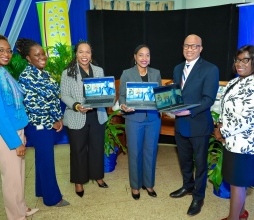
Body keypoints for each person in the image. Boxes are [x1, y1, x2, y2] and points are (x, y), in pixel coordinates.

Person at [0, 33, 38, 219]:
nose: (6, 54)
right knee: (11, 179)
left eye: (8, 51)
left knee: (19, 175)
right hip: (2, 134)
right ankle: (16, 216)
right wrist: (15, 141)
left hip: (14, 130)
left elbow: (14, 106)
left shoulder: (2, 72)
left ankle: (22, 209)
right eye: (0, 50)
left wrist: (21, 131)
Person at [214, 45, 254, 220]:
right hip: (232, 141)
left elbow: (245, 119)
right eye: (238, 60)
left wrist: (221, 131)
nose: (239, 63)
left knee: (238, 184)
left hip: (245, 144)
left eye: (245, 60)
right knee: (236, 181)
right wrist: (219, 124)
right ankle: (242, 213)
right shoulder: (236, 81)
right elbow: (224, 108)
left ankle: (233, 218)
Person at [169, 34, 219, 216]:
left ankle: (198, 197)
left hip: (198, 124)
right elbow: (175, 94)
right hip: (180, 125)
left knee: (200, 164)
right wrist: (168, 105)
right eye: (186, 46)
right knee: (184, 161)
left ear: (201, 48)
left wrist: (188, 111)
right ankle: (187, 186)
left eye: (194, 46)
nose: (189, 49)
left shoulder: (210, 69)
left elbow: (208, 100)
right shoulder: (177, 68)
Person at [16, 38, 69, 207]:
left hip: (49, 123)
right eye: (36, 55)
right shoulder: (27, 76)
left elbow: (53, 98)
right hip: (38, 125)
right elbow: (32, 107)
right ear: (28, 58)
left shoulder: (44, 73)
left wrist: (59, 118)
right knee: (47, 160)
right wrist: (51, 122)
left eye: (43, 54)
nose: (42, 57)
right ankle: (53, 199)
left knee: (42, 158)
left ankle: (41, 190)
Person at [60, 41, 109, 198]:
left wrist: (106, 97)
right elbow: (64, 94)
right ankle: (79, 181)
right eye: (81, 52)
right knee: (78, 150)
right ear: (76, 54)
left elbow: (104, 91)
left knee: (96, 148)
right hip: (77, 116)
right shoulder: (68, 72)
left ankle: (98, 176)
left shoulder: (99, 71)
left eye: (87, 52)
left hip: (97, 116)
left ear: (91, 54)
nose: (84, 55)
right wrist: (76, 105)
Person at [119, 44, 162, 200]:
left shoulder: (156, 73)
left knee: (151, 152)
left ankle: (148, 184)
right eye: (141, 55)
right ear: (135, 57)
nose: (144, 58)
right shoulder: (127, 74)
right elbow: (122, 96)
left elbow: (159, 96)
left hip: (153, 119)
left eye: (147, 55)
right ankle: (135, 186)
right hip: (134, 118)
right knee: (135, 152)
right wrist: (123, 105)